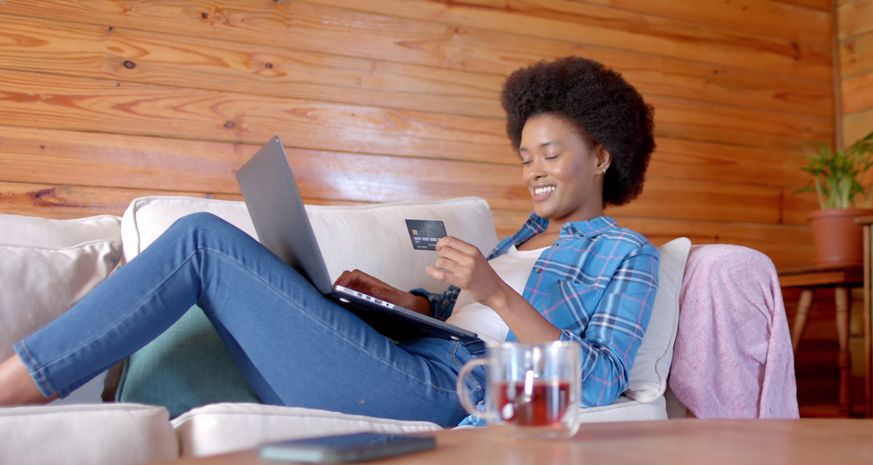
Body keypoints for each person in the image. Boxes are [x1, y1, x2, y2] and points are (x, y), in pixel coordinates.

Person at [0, 56, 660, 427]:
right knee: (221, 260)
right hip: (404, 358)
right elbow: (463, 320)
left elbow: (597, 382)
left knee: (200, 243)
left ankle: (13, 390)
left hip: (452, 391)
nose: (534, 171)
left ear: (601, 154)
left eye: (550, 154)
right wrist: (402, 302)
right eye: (525, 157)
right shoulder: (515, 240)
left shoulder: (625, 255)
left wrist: (492, 290)